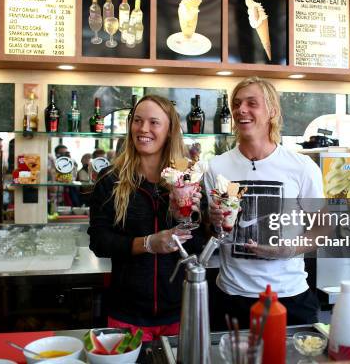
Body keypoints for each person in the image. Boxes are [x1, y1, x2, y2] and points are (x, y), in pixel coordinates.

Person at [204, 76, 325, 327]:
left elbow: (322, 228)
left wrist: (287, 249)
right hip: (231, 297)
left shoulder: (301, 167)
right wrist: (212, 220)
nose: (241, 110)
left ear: (272, 111)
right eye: (236, 104)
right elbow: (210, 231)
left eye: (251, 103)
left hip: (288, 297)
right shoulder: (216, 167)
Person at [88, 95, 204, 341]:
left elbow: (198, 247)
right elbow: (99, 242)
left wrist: (180, 217)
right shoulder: (110, 180)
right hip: (126, 314)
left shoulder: (187, 181)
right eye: (137, 121)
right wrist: (148, 243)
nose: (143, 129)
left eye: (154, 122)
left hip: (179, 313)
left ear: (170, 130)